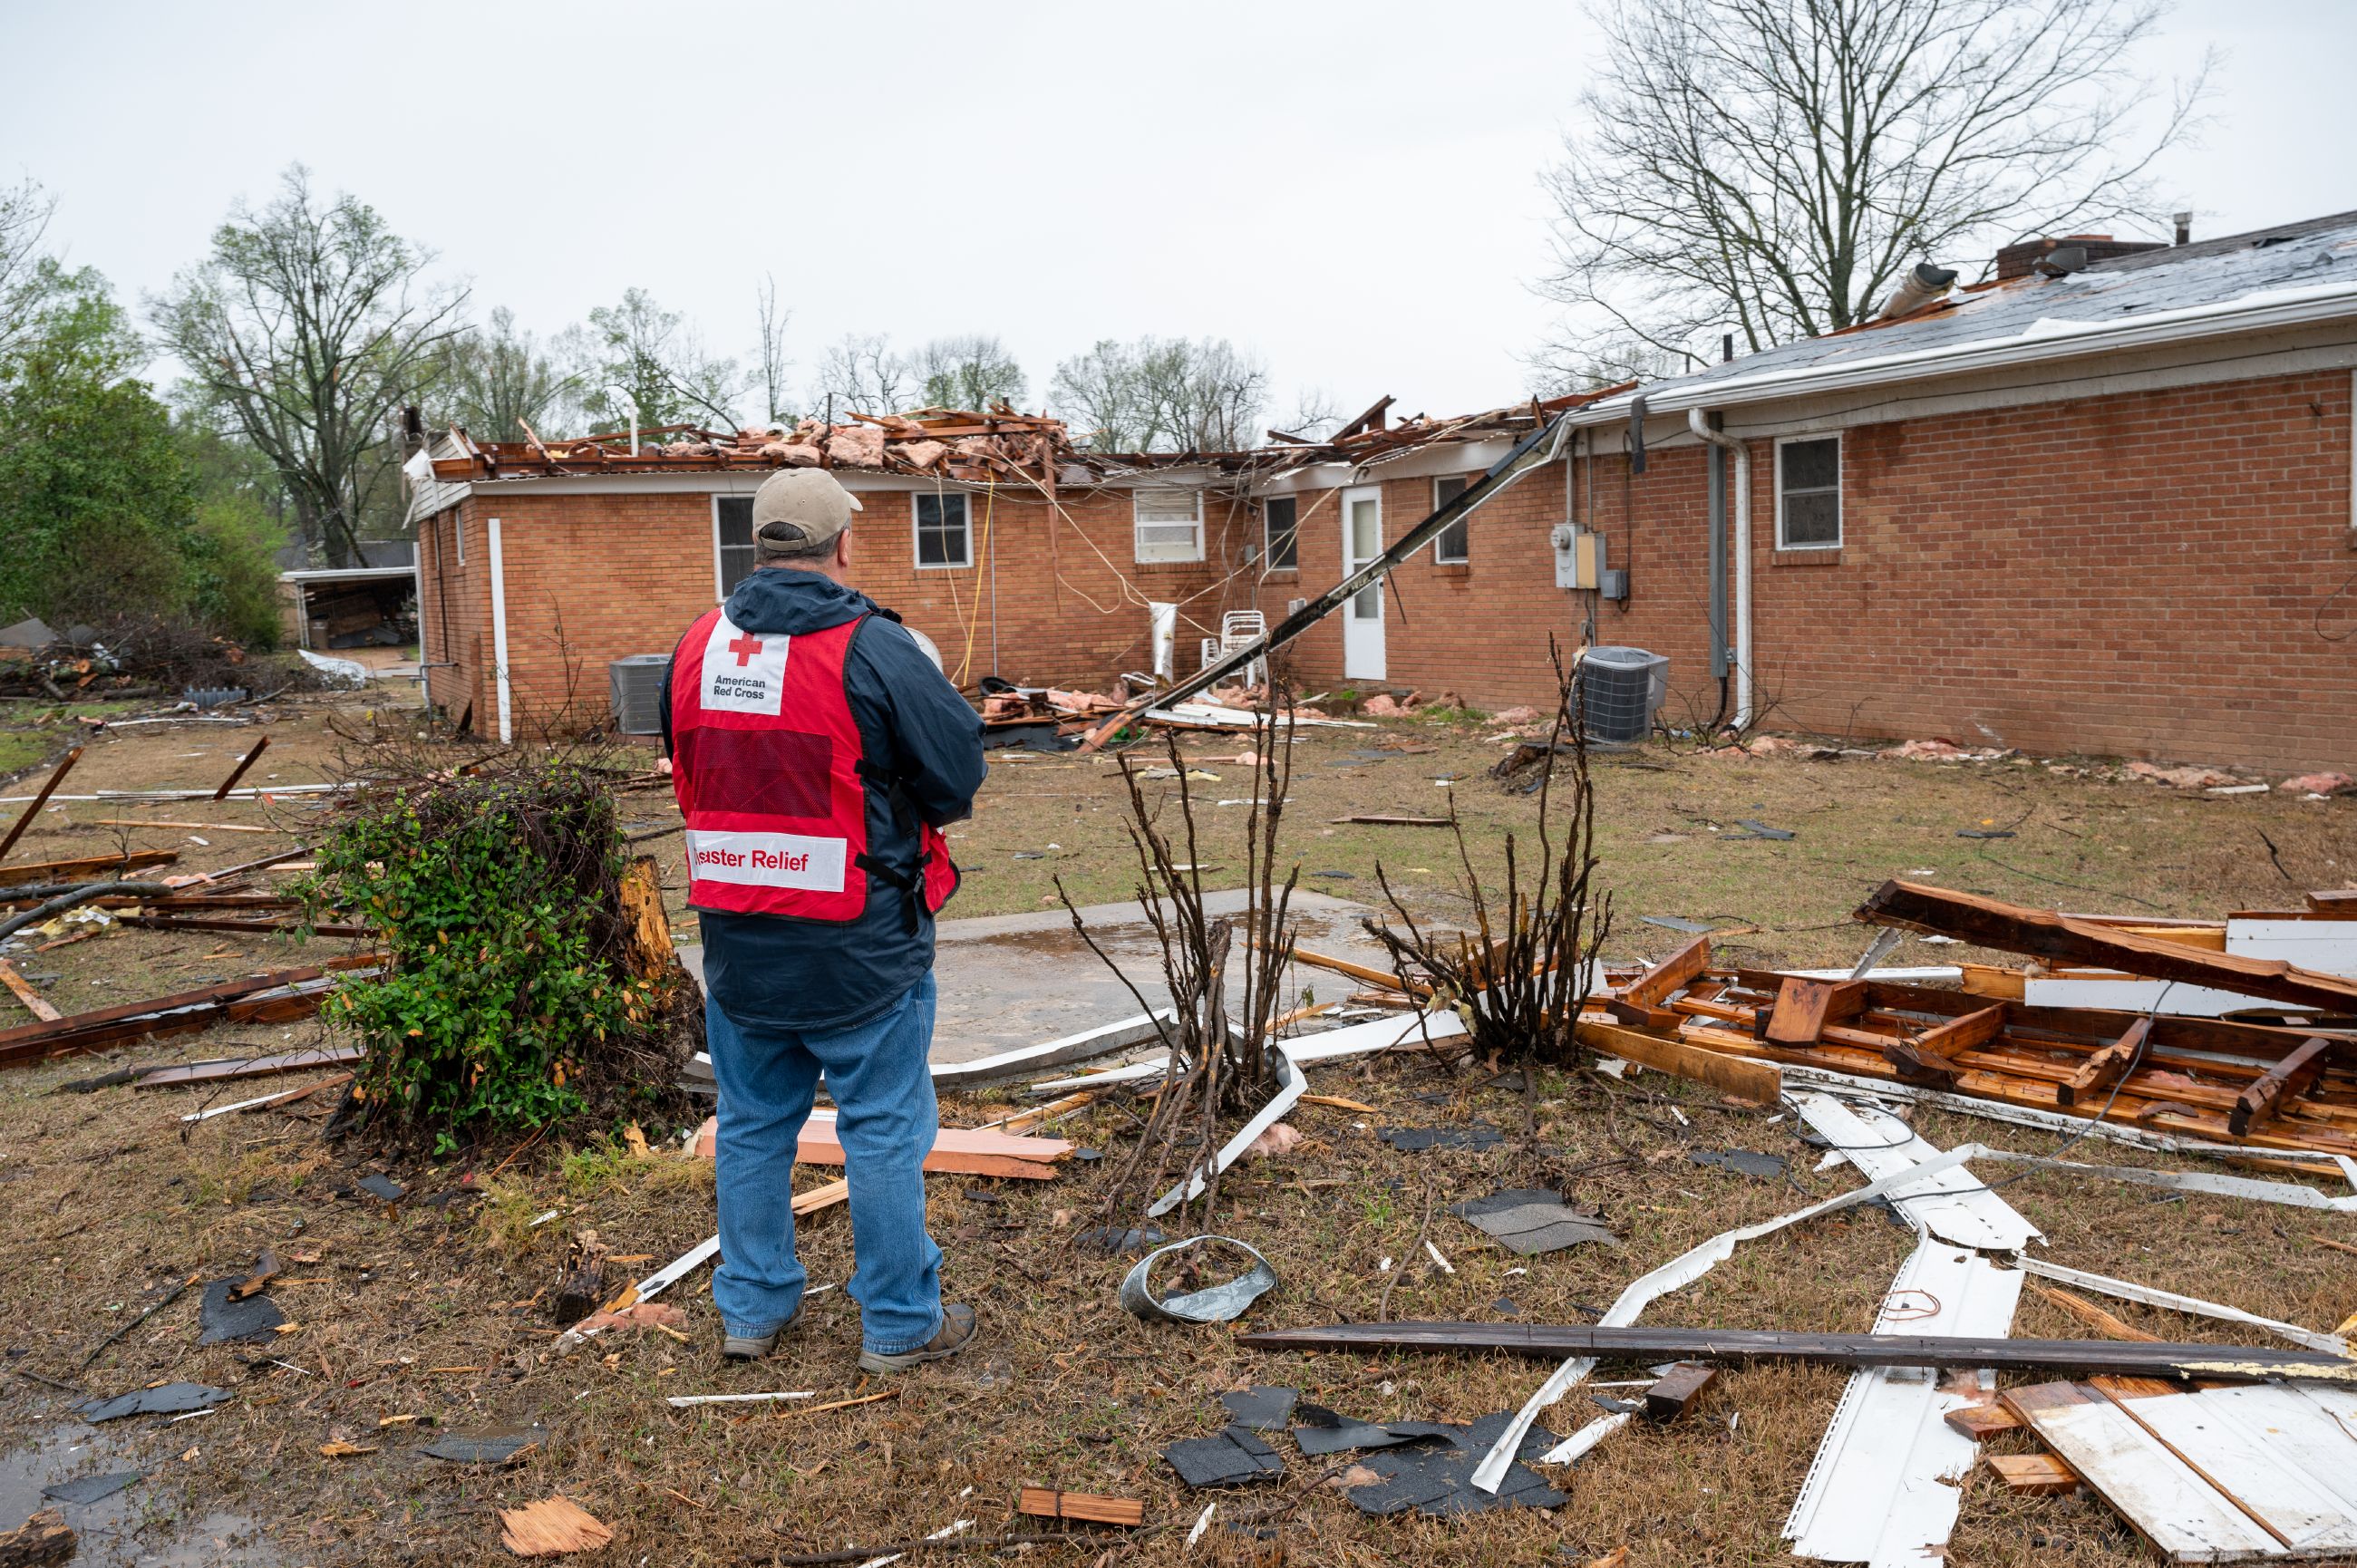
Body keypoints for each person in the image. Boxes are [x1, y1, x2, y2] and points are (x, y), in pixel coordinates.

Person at [662, 468, 986, 1372]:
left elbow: (686, 760)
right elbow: (956, 776)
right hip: (861, 947)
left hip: (738, 943)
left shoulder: (694, 646)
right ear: (842, 544)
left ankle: (752, 1311)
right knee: (880, 1127)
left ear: (756, 542)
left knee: (753, 1124)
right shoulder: (877, 648)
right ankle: (897, 1324)